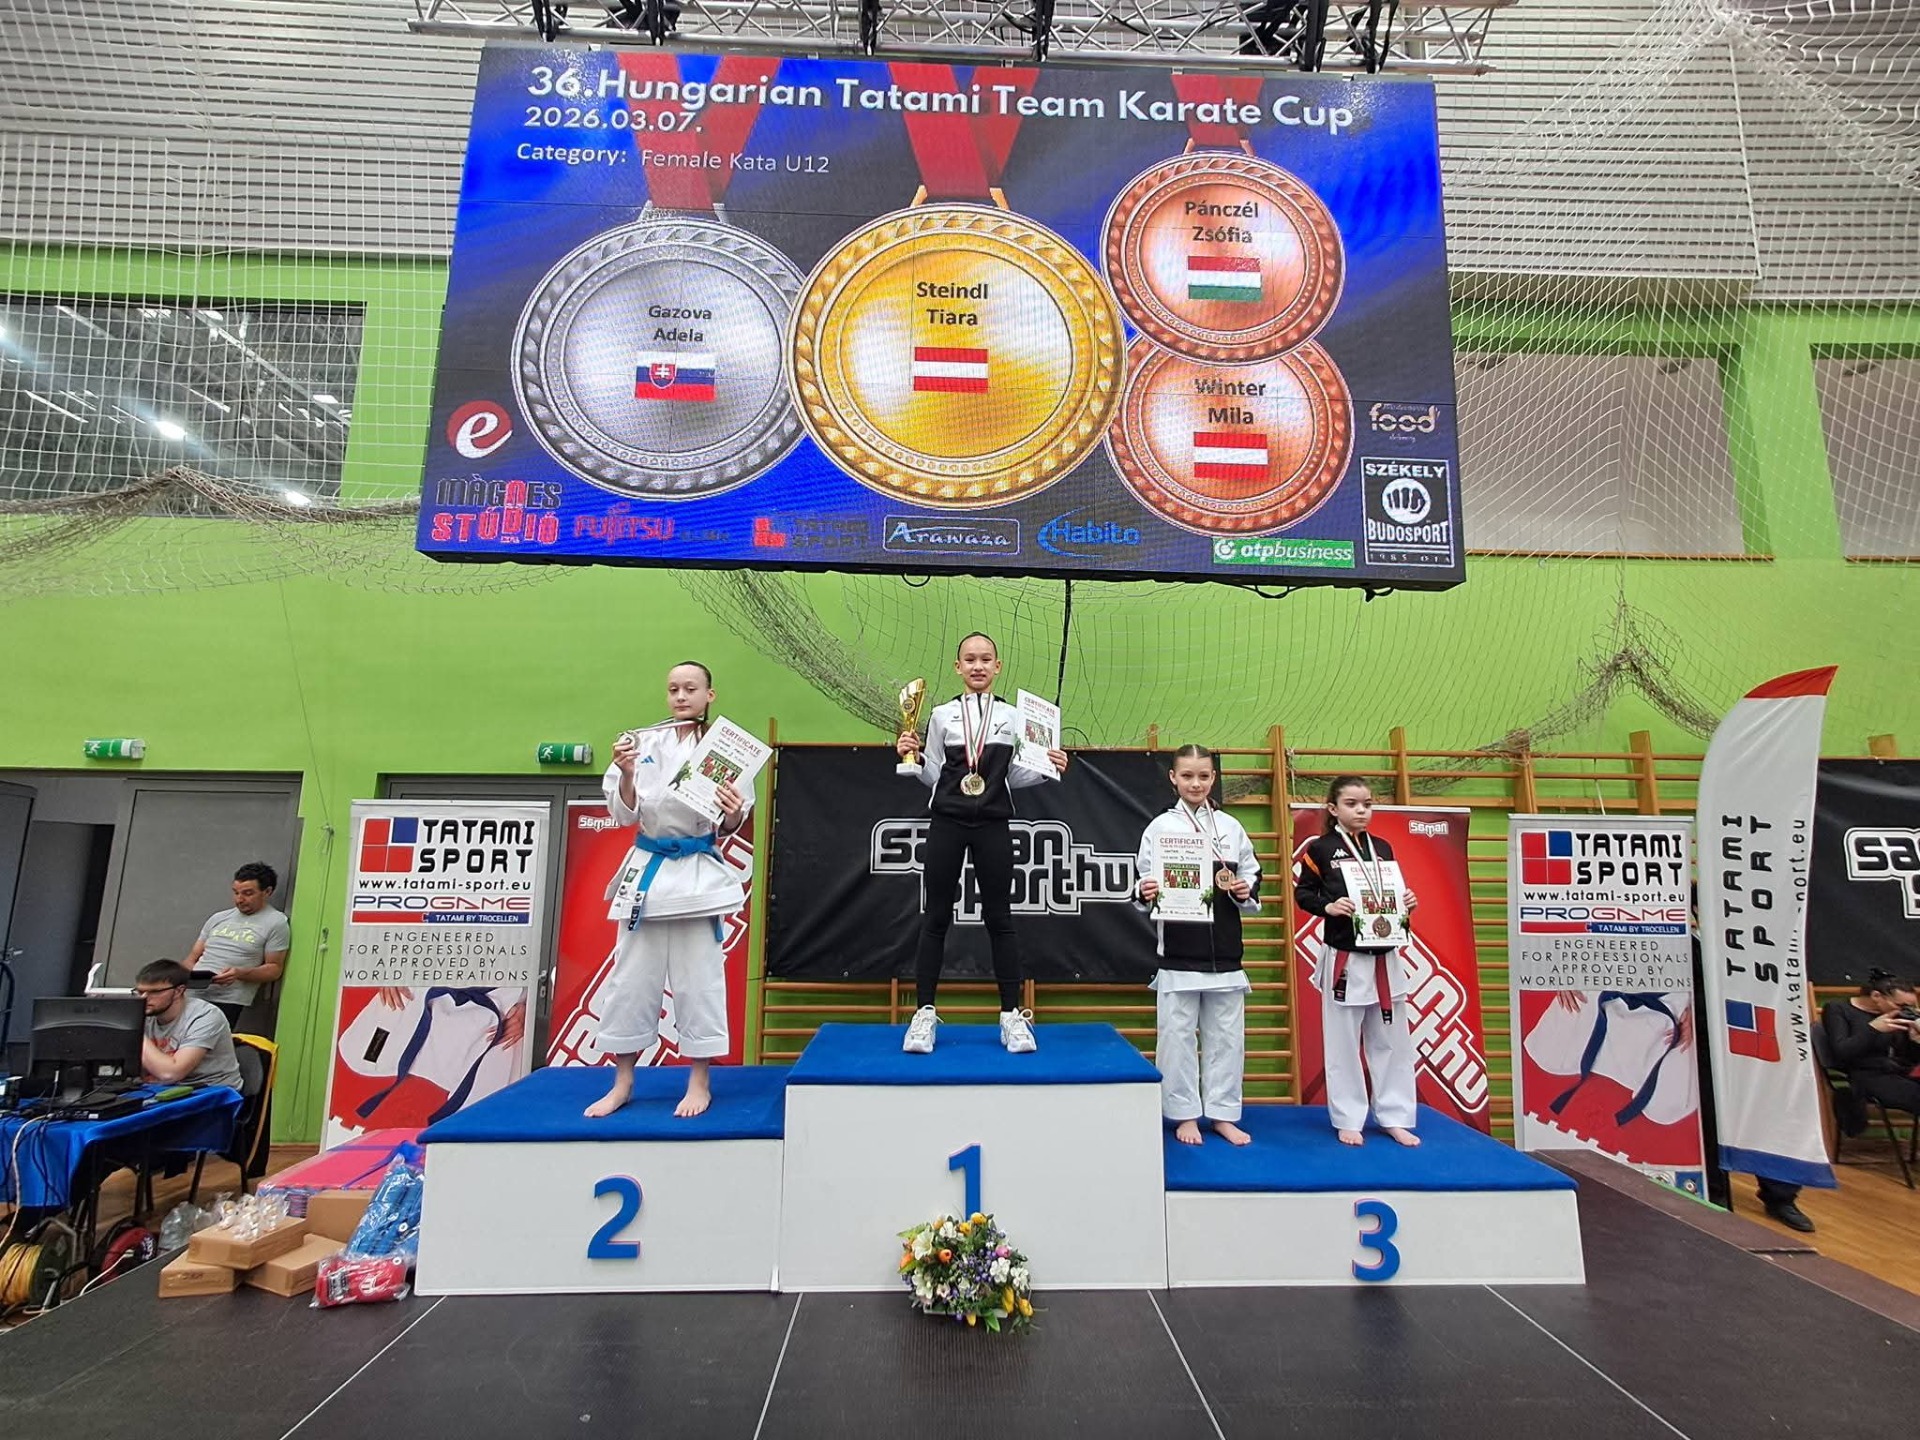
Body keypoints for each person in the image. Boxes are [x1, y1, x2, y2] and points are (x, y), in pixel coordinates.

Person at [587, 661, 749, 1120]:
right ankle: (622, 1080)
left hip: (697, 871)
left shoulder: (725, 748)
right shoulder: (643, 743)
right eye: (674, 689)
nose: (681, 696)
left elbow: (733, 822)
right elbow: (624, 814)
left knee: (699, 979)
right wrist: (626, 772)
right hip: (649, 871)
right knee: (630, 978)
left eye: (691, 688)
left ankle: (699, 1079)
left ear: (709, 695)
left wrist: (733, 810)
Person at [894, 632, 1070, 1055]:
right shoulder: (940, 715)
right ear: (958, 667)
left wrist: (1048, 767)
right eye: (970, 659)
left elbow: (1014, 777)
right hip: (948, 821)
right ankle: (923, 1014)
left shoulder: (1014, 716)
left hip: (993, 822)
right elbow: (935, 774)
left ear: (998, 666)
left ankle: (1011, 1015)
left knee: (1000, 918)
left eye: (985, 659)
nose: (978, 666)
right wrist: (911, 757)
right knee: (936, 916)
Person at [1133, 745, 1261, 1146]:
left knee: (1227, 1039)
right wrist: (1145, 890)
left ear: (1213, 778)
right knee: (1176, 1038)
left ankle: (1223, 1114)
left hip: (1225, 951)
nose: (1195, 784)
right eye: (1187, 776)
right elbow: (1141, 879)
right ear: (1173, 778)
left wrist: (1245, 889)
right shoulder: (1160, 828)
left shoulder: (1230, 827)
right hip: (1178, 951)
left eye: (1203, 776)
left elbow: (1252, 874)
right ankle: (1184, 1114)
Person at [1293, 775, 1420, 1146]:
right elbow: (1303, 894)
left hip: (1385, 953)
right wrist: (1329, 906)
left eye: (1367, 804)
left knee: (1391, 1040)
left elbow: (1389, 894)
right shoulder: (1320, 849)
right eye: (1352, 804)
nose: (1361, 810)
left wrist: (1406, 901)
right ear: (1333, 808)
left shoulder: (1382, 848)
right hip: (1345, 955)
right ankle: (1348, 1117)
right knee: (1343, 1042)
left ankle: (1395, 1116)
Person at [184, 862, 290, 1027]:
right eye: (236, 892)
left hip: (227, 999)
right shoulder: (219, 918)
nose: (239, 899)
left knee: (207, 1038)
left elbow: (274, 969)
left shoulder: (276, 922)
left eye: (248, 893)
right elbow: (191, 959)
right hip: (192, 991)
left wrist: (240, 973)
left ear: (267, 891)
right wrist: (185, 978)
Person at [137, 959, 243, 1091]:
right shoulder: (145, 1013)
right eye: (140, 992)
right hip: (163, 1088)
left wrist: (133, 1033)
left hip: (211, 1091)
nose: (144, 998)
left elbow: (171, 1074)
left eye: (154, 992)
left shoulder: (205, 1016)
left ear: (178, 991)